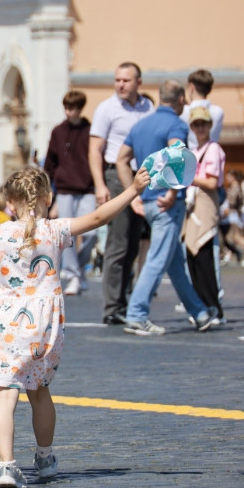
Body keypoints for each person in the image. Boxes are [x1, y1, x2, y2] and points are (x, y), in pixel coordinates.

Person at [0, 165, 152, 488]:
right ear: (46, 197)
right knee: (39, 391)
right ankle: (44, 458)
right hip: (43, 325)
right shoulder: (54, 230)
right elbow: (99, 217)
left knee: (5, 393)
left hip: (5, 323)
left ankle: (7, 466)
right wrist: (132, 191)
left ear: (10, 202)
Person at [116, 80, 216, 336]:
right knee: (158, 258)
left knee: (173, 261)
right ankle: (137, 313)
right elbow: (178, 155)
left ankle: (200, 313)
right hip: (166, 203)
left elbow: (121, 159)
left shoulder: (140, 126)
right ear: (181, 99)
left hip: (147, 201)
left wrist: (133, 194)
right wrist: (173, 191)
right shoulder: (176, 125)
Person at [88, 62, 153, 325]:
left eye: (126, 80)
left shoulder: (148, 107)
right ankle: (113, 306)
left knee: (135, 244)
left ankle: (126, 300)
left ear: (138, 82)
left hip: (143, 175)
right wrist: (100, 184)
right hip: (117, 176)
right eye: (117, 80)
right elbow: (95, 150)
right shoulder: (107, 108)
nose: (120, 85)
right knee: (118, 242)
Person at [44, 90, 95, 296]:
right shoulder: (58, 132)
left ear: (80, 108)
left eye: (72, 108)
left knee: (91, 234)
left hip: (88, 189)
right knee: (68, 235)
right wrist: (49, 194)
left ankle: (79, 267)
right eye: (66, 107)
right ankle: (74, 274)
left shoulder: (91, 131)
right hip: (64, 189)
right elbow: (50, 163)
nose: (68, 112)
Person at [183, 107, 225, 322]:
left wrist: (188, 178)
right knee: (193, 256)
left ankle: (213, 306)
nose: (200, 128)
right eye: (196, 124)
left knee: (204, 255)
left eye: (204, 124)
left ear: (210, 126)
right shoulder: (197, 151)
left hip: (205, 203)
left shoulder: (213, 149)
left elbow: (211, 181)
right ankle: (202, 304)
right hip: (194, 204)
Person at [181, 69, 224, 148]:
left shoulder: (184, 111)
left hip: (191, 156)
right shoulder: (218, 111)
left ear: (192, 87)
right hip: (212, 152)